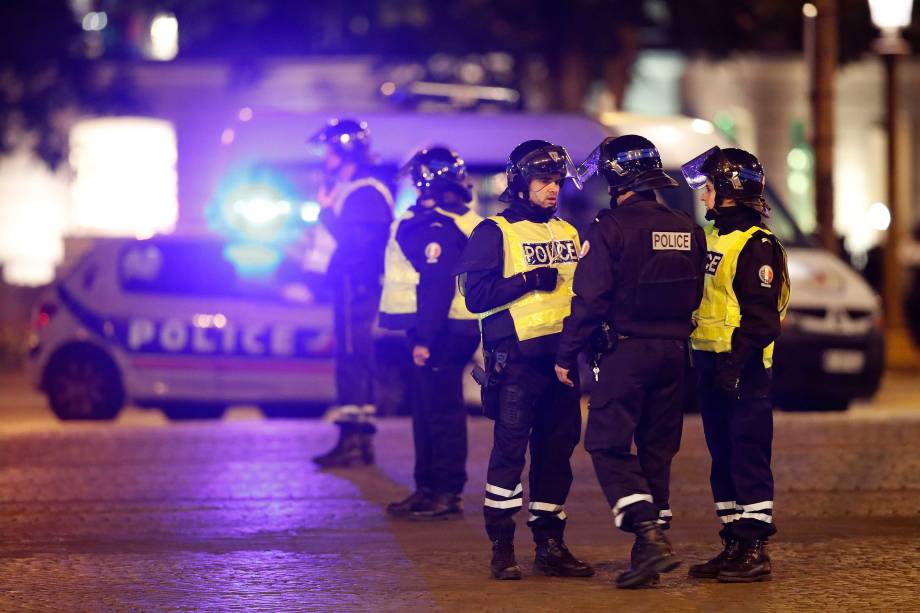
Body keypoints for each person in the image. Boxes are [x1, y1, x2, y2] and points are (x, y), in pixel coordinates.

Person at [554, 135, 706, 589]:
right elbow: (695, 291)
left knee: (606, 444)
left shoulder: (610, 226)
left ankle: (645, 531)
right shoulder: (686, 225)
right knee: (657, 452)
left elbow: (590, 298)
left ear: (617, 179)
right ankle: (648, 557)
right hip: (675, 355)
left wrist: (568, 353)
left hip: (626, 352)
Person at [456, 140, 594, 580]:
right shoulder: (493, 232)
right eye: (543, 181)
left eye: (556, 181)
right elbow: (475, 298)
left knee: (556, 455)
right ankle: (501, 546)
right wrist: (529, 279)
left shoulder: (568, 232)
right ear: (520, 183)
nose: (552, 190)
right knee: (509, 457)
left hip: (562, 364)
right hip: (515, 364)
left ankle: (550, 546)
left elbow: (579, 296)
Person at [680, 146, 790, 583]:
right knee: (722, 457)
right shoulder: (714, 240)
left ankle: (755, 548)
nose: (703, 197)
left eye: (708, 189)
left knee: (747, 457)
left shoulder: (756, 246)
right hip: (712, 365)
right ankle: (733, 543)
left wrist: (735, 363)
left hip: (742, 370)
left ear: (727, 193)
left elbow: (762, 318)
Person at [380, 147, 482, 520]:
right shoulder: (458, 218)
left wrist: (424, 338)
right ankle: (428, 488)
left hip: (441, 329)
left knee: (440, 412)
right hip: (448, 326)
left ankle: (446, 491)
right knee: (427, 410)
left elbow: (437, 283)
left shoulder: (436, 224)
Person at [308, 119, 394, 468]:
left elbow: (360, 245)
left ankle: (355, 442)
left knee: (352, 360)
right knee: (351, 359)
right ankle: (356, 440)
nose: (324, 158)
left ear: (345, 151)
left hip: (356, 287)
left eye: (329, 150)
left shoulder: (365, 192)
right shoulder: (350, 189)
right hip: (348, 286)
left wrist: (327, 212)